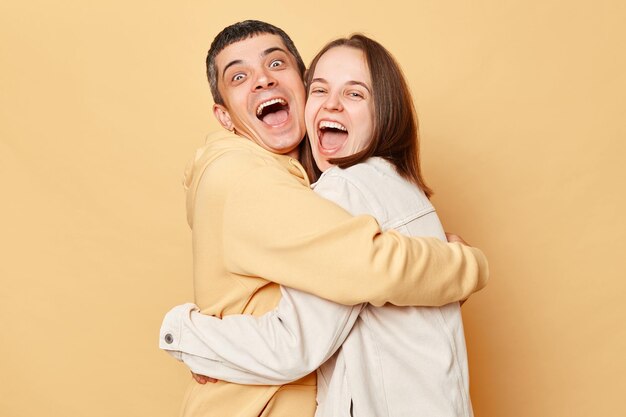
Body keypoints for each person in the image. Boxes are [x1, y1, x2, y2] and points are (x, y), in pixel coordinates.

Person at [160, 20, 488, 417]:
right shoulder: (249, 177)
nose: (263, 81)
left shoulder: (340, 187)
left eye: (276, 65)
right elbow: (365, 273)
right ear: (224, 116)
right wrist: (464, 262)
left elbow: (307, 332)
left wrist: (195, 337)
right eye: (240, 76)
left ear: (298, 85)